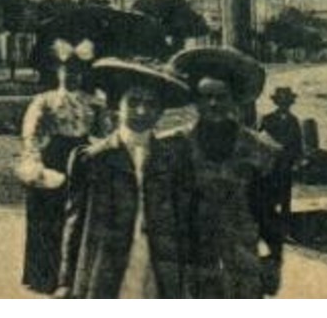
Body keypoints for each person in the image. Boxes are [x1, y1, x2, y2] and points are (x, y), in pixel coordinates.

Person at [57, 56, 193, 298]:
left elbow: (183, 223)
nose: (142, 111)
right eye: (133, 102)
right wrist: (66, 281)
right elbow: (74, 224)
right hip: (107, 267)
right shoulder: (93, 159)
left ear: (161, 111)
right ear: (115, 106)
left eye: (151, 104)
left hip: (158, 265)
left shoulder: (173, 159)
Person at [161, 46, 286, 298]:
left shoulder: (258, 150)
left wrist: (273, 258)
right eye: (206, 96)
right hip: (192, 265)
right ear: (195, 100)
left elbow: (268, 212)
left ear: (233, 99)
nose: (214, 103)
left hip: (242, 263)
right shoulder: (174, 147)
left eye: (221, 96)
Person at [17, 37, 108, 294]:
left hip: (83, 159)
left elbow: (104, 133)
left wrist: (97, 148)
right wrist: (34, 163)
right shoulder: (44, 101)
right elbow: (30, 135)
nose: (72, 75)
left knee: (80, 219)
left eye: (77, 71)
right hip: (52, 160)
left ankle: (73, 278)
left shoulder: (95, 103)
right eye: (66, 70)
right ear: (57, 72)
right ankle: (45, 276)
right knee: (49, 217)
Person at [257, 85, 305, 237]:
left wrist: (296, 161)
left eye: (287, 102)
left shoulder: (294, 121)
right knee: (269, 197)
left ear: (290, 104)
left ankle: (285, 231)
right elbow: (260, 142)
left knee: (285, 199)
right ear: (277, 103)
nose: (284, 105)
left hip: (286, 166)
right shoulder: (267, 119)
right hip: (270, 166)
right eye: (281, 102)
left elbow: (298, 145)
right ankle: (268, 229)